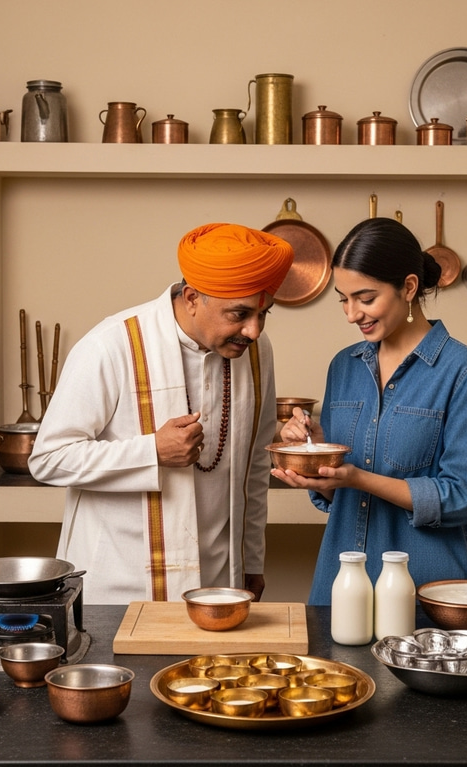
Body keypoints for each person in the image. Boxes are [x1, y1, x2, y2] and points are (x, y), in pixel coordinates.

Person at [29, 222, 294, 604]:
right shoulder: (112, 344)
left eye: (263, 313)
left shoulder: (255, 351)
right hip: (120, 586)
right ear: (191, 298)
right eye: (239, 314)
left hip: (219, 584)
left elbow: (253, 467)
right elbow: (49, 459)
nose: (253, 330)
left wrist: (251, 561)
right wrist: (152, 451)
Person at [271, 216, 467, 606]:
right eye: (344, 299)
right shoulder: (344, 366)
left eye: (365, 298)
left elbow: (461, 496)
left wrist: (359, 478)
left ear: (409, 287)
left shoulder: (465, 372)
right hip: (342, 582)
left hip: (427, 588)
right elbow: (338, 486)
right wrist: (316, 456)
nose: (351, 314)